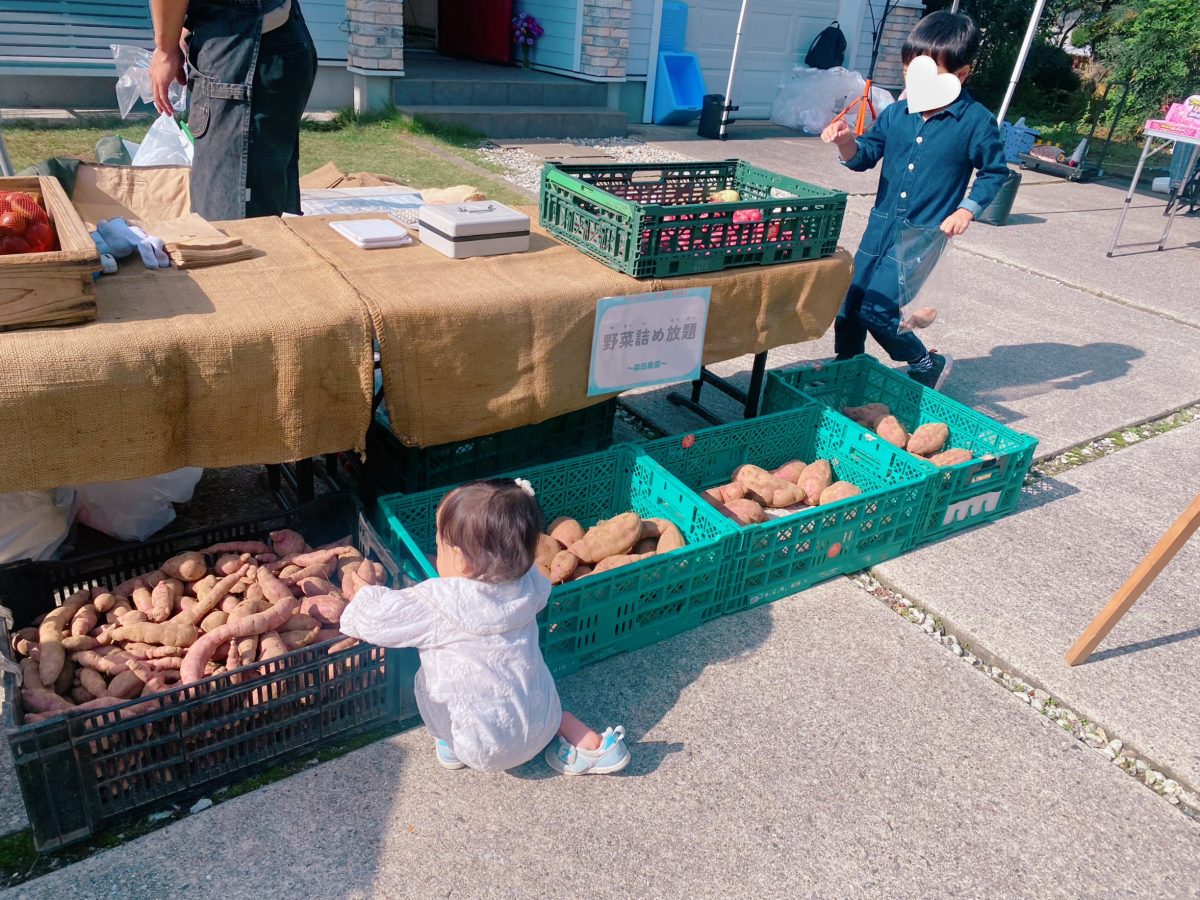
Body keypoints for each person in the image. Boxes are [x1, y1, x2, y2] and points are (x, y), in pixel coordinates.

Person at [339, 478, 631, 776]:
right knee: (537, 694)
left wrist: (361, 593)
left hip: (482, 747)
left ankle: (450, 745)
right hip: (543, 722)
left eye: (440, 544)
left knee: (423, 679)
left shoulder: (439, 602)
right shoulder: (529, 583)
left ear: (462, 563)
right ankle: (594, 746)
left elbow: (377, 620)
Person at [820, 11, 1009, 390]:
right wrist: (845, 141)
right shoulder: (896, 114)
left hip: (923, 234)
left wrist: (967, 209)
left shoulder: (975, 121)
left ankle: (926, 362)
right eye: (910, 71)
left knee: (878, 308)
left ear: (960, 76)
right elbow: (866, 153)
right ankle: (848, 364)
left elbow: (994, 171)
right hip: (881, 224)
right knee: (852, 299)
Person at [149, 0, 317, 221]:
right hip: (271, 39)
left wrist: (165, 50)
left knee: (231, 218)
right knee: (255, 205)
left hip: (246, 50)